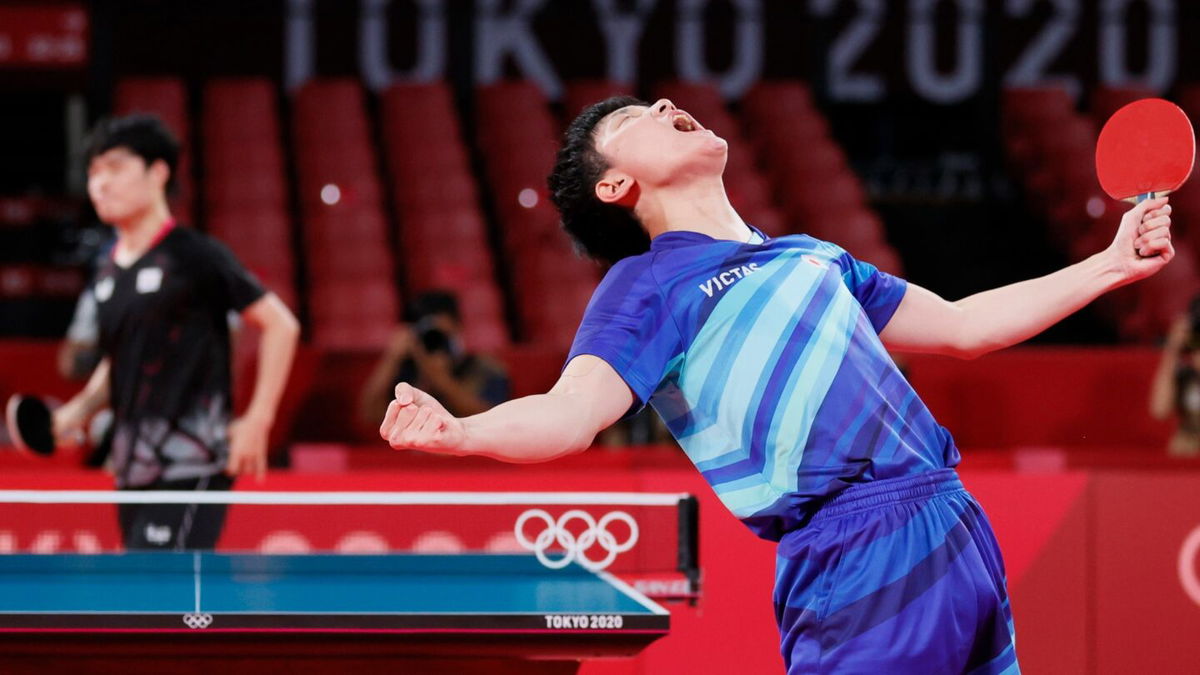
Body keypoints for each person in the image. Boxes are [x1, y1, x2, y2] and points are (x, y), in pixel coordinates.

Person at [378, 97, 1174, 672]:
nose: (663, 102)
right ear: (618, 189)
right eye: (632, 122)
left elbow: (966, 327)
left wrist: (1109, 264)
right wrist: (465, 431)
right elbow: (569, 412)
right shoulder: (646, 285)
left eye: (657, 100)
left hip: (956, 522)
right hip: (855, 551)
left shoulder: (811, 254)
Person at [53, 114, 300, 550]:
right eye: (92, 173)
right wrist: (76, 412)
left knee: (165, 596)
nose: (100, 184)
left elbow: (280, 325)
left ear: (157, 172)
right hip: (131, 465)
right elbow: (120, 362)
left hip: (192, 460)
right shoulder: (109, 272)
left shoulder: (193, 255)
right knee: (151, 602)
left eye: (114, 168)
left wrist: (257, 420)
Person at [360, 290, 509, 430]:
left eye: (441, 334)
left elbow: (489, 419)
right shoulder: (408, 371)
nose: (435, 341)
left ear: (458, 328)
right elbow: (371, 415)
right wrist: (391, 359)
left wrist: (440, 378)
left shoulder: (485, 368)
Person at [1149, 295, 1200, 457]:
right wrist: (1172, 349)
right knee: (1182, 444)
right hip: (1189, 447)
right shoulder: (1183, 373)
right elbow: (1159, 411)